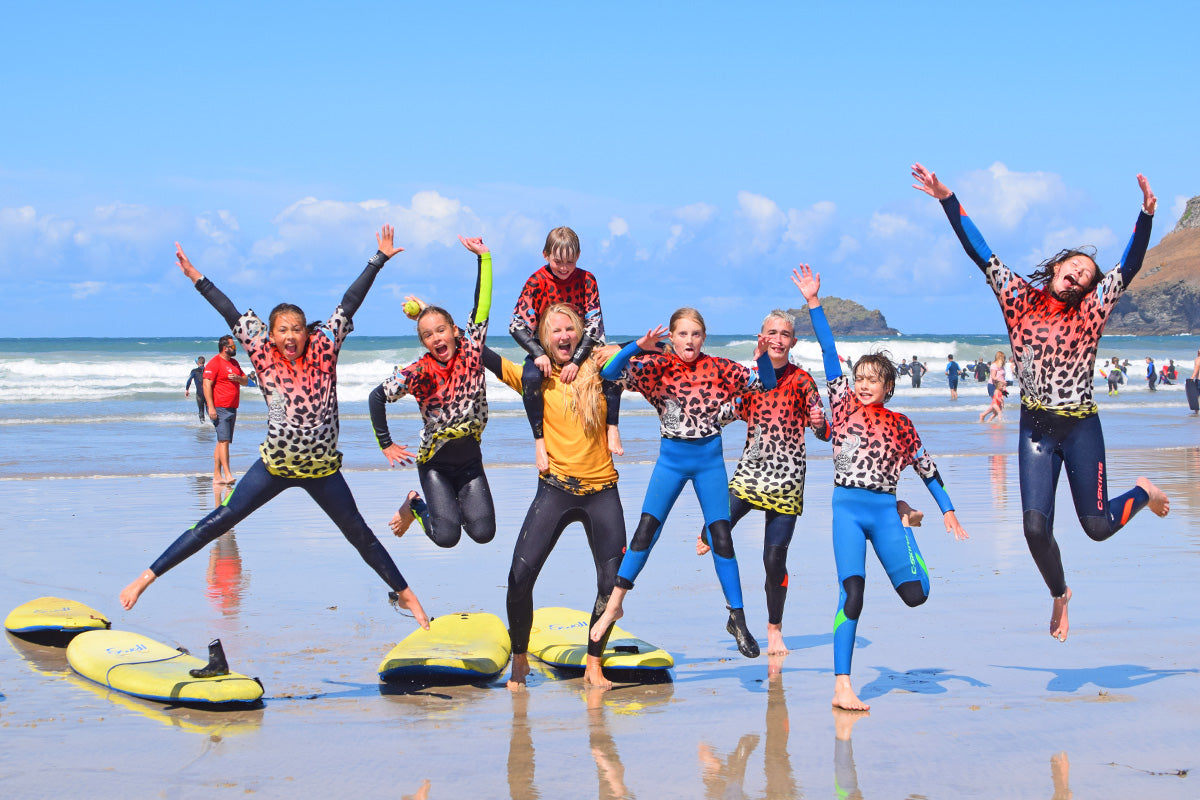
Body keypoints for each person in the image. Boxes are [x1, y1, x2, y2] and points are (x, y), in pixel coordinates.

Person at [119, 227, 428, 630]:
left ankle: (409, 598)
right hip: (274, 466)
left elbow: (349, 303)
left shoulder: (325, 346)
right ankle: (147, 577)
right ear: (270, 332)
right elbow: (228, 311)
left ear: (307, 331)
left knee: (360, 535)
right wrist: (196, 276)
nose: (290, 335)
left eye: (296, 328)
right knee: (221, 519)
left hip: (323, 471)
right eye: (282, 329)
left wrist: (379, 258)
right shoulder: (261, 353)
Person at [913, 162, 1169, 642]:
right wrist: (949, 199)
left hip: (1081, 427)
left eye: (1086, 276)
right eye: (1073, 268)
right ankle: (1060, 593)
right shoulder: (1017, 299)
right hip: (1036, 428)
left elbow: (1128, 266)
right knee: (1034, 530)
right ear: (1056, 267)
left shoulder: (1092, 309)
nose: (1077, 277)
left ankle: (1143, 493)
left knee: (1095, 526)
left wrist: (1146, 216)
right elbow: (981, 251)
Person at [793, 264, 966, 712]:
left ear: (889, 387)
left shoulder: (902, 425)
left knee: (916, 596)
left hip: (888, 513)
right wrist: (814, 302)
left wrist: (946, 508)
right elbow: (829, 352)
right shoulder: (843, 404)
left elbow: (927, 468)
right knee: (852, 592)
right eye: (861, 378)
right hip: (847, 511)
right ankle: (843, 686)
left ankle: (906, 520)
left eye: (874, 379)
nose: (865, 384)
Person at [589, 308, 778, 658]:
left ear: (703, 337)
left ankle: (737, 617)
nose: (689, 340)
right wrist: (637, 346)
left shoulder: (721, 368)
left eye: (695, 334)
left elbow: (766, 383)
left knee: (721, 535)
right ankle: (615, 604)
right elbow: (609, 371)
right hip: (671, 462)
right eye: (682, 334)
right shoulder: (655, 367)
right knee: (646, 531)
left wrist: (763, 357)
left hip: (709, 462)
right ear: (672, 338)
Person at [487, 303, 626, 690]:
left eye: (569, 329)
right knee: (519, 579)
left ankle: (594, 664)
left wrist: (623, 348)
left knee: (611, 584)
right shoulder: (535, 375)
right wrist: (440, 323)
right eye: (554, 331)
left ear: (580, 332)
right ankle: (519, 659)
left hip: (602, 490)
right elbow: (482, 353)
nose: (563, 336)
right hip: (555, 489)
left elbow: (648, 352)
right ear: (542, 339)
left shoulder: (601, 369)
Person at [695, 309, 831, 655]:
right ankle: (734, 611)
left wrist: (819, 420)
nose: (778, 339)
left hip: (787, 479)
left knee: (774, 560)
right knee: (715, 527)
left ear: (793, 342)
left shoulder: (802, 381)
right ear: (762, 338)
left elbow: (824, 432)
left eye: (785, 334)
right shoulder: (752, 382)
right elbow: (719, 415)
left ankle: (774, 629)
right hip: (750, 476)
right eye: (772, 333)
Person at [369, 236, 497, 549]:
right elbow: (376, 396)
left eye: (441, 330)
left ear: (456, 331)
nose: (436, 338)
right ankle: (416, 504)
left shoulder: (471, 351)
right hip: (435, 465)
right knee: (446, 537)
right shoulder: (420, 371)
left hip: (470, 464)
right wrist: (386, 444)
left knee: (483, 533)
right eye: (427, 334)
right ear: (423, 342)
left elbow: (482, 306)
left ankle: (452, 505)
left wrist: (484, 258)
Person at [509, 227, 622, 473]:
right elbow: (516, 325)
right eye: (558, 261)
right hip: (546, 347)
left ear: (578, 256)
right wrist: (538, 354)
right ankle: (539, 441)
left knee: (613, 367)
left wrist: (577, 360)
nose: (564, 268)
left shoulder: (587, 279)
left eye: (570, 262)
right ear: (545, 255)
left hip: (582, 343)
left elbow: (593, 325)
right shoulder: (536, 281)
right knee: (529, 378)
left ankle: (612, 426)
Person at [203, 335, 250, 484]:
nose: (235, 348)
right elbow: (206, 385)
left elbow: (246, 381)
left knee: (222, 441)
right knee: (223, 441)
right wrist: (211, 407)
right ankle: (228, 474)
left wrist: (237, 378)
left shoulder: (234, 363)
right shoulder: (214, 363)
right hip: (220, 407)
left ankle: (217, 475)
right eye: (233, 346)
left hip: (232, 407)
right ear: (225, 348)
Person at [980, 352, 1007, 423]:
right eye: (1003, 358)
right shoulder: (994, 365)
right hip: (993, 385)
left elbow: (1002, 377)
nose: (1004, 359)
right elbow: (993, 377)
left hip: (1000, 386)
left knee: (999, 405)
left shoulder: (1001, 366)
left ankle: (988, 420)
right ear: (999, 358)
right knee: (996, 404)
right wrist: (1002, 382)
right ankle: (983, 415)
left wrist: (1004, 385)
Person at [185, 356, 207, 422]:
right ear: (204, 362)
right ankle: (214, 424)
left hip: (199, 393)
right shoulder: (208, 370)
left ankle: (203, 424)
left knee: (201, 410)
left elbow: (189, 380)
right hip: (208, 393)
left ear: (197, 363)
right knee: (210, 409)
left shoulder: (194, 371)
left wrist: (187, 389)